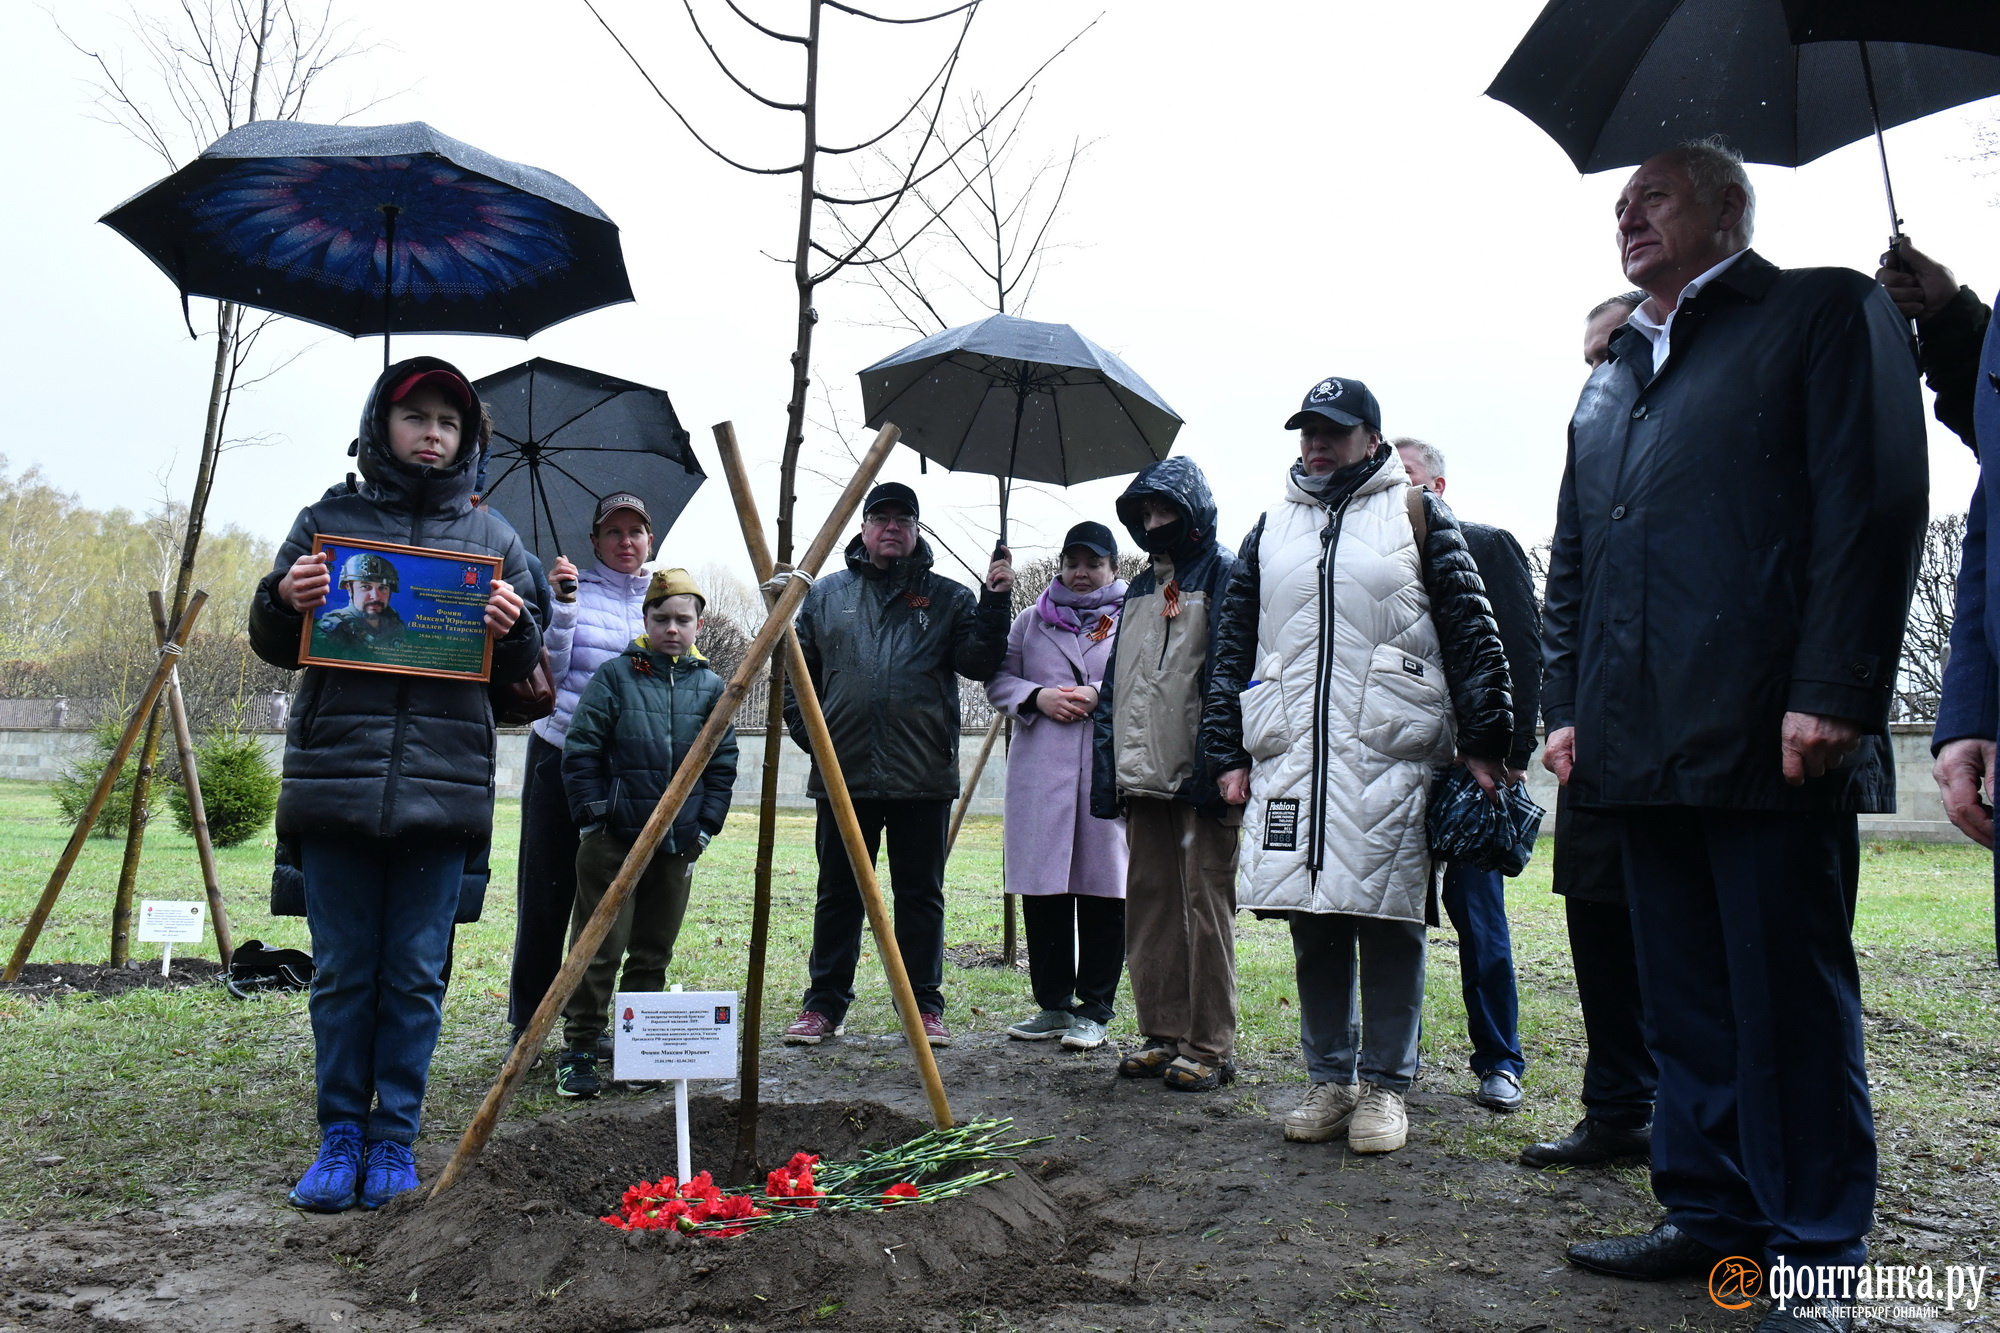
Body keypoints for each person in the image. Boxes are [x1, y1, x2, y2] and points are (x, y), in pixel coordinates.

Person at [1542, 139, 1926, 1321]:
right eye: (1618, 205)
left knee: (1785, 997)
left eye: (1651, 197)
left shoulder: (1819, 310)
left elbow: (1868, 496)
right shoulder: (1614, 373)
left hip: (1771, 729)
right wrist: (1565, 704)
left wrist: (1839, 686)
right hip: (1637, 740)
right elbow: (1577, 559)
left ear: (1727, 207)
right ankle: (1709, 1217)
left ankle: (1812, 1243)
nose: (1627, 218)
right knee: (1685, 1001)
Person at [248, 358, 541, 1213]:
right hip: (337, 783)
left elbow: (524, 665)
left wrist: (513, 627)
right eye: (417, 417)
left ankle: (394, 1139)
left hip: (442, 794)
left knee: (414, 974)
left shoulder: (494, 541)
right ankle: (339, 1131)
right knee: (342, 972)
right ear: (383, 425)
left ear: (467, 440)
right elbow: (271, 636)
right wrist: (283, 594)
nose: (433, 433)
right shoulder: (326, 520)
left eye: (450, 422)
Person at [1201, 379, 1512, 1154]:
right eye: (1307, 429)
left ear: (1371, 438)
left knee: (1391, 915)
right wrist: (1226, 752)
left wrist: (1485, 737)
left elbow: (1472, 626)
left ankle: (1385, 1087)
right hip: (1293, 754)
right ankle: (1329, 1077)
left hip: (1389, 749)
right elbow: (1233, 646)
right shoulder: (1271, 527)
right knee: (1316, 915)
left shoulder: (1415, 511)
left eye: (1333, 430)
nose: (1316, 442)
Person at [781, 481, 1013, 1047]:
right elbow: (796, 674)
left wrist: (997, 598)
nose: (891, 528)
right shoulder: (824, 595)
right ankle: (824, 1005)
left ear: (916, 531)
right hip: (843, 776)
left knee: (920, 896)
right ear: (863, 529)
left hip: (921, 777)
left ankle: (923, 1007)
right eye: (880, 518)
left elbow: (980, 662)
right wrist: (814, 739)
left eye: (903, 519)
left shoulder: (951, 598)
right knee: (838, 893)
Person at [1521, 291, 1657, 1170]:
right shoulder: (1593, 442)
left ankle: (1686, 1122)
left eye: (1612, 349)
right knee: (1598, 933)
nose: (1599, 371)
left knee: (1670, 942)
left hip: (1676, 732)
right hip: (1595, 739)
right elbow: (1563, 590)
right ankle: (1615, 1109)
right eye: (1590, 361)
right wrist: (1559, 711)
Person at [1394, 435, 1538, 1115]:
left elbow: (1523, 652)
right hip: (1402, 766)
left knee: (1480, 916)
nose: (1393, 491)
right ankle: (1396, 1057)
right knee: (1396, 917)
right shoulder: (1380, 565)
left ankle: (1500, 1060)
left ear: (1438, 488)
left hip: (1476, 772)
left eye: (1407, 478)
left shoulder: (1491, 544)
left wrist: (1511, 758)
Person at [553, 568, 737, 1098]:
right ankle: (581, 1047)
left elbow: (722, 764)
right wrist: (594, 820)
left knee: (653, 949)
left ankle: (639, 1052)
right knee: (598, 947)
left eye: (683, 619)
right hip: (614, 838)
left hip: (676, 845)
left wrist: (703, 828)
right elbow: (581, 748)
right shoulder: (616, 677)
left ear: (699, 624)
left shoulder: (714, 687)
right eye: (662, 619)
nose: (672, 629)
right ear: (646, 620)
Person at [1090, 457, 1243, 1092]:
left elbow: (1233, 674)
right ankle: (1161, 1031)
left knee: (1206, 907)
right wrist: (1110, 773)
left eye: (1164, 511)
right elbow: (1114, 687)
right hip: (1142, 775)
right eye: (1143, 513)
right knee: (1150, 906)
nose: (1154, 523)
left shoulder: (1228, 574)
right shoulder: (1138, 592)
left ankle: (1209, 1045)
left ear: (1193, 510)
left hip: (1199, 775)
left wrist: (1223, 760)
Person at [507, 492, 658, 1054]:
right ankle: (528, 1022)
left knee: (617, 899)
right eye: (613, 532)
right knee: (545, 892)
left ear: (649, 540)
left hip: (629, 771)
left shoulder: (664, 599)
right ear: (594, 541)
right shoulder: (567, 591)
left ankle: (596, 1025)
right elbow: (546, 669)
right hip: (561, 755)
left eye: (635, 532)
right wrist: (563, 607)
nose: (625, 542)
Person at [986, 521, 1131, 1051]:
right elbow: (999, 678)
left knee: (1103, 888)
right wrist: (1037, 697)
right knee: (1043, 888)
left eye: (1093, 563)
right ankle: (1052, 1006)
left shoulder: (1131, 618)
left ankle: (1095, 1008)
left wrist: (1098, 694)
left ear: (1113, 568)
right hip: (1041, 769)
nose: (1082, 573)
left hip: (1104, 767)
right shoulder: (1029, 621)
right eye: (1073, 563)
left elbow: (1141, 678)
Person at [313, 552, 406, 657]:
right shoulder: (332, 630)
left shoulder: (395, 623)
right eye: (365, 587)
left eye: (383, 588)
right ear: (349, 588)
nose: (375, 596)